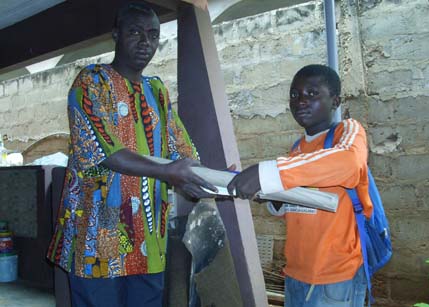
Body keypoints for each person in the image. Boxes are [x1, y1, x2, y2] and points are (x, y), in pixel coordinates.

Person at [47, 2, 218, 306]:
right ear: (116, 34)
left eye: (153, 35)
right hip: (98, 238)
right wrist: (172, 173)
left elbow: (183, 149)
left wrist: (213, 179)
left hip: (148, 240)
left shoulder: (157, 91)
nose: (145, 43)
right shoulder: (91, 82)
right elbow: (107, 153)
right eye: (135, 32)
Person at [227, 64, 372, 307]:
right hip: (295, 274)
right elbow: (300, 210)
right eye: (295, 95)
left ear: (335, 101)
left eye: (312, 94)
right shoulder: (297, 150)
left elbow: (349, 163)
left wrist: (267, 172)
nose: (301, 101)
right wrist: (273, 198)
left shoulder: (347, 132)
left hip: (334, 277)